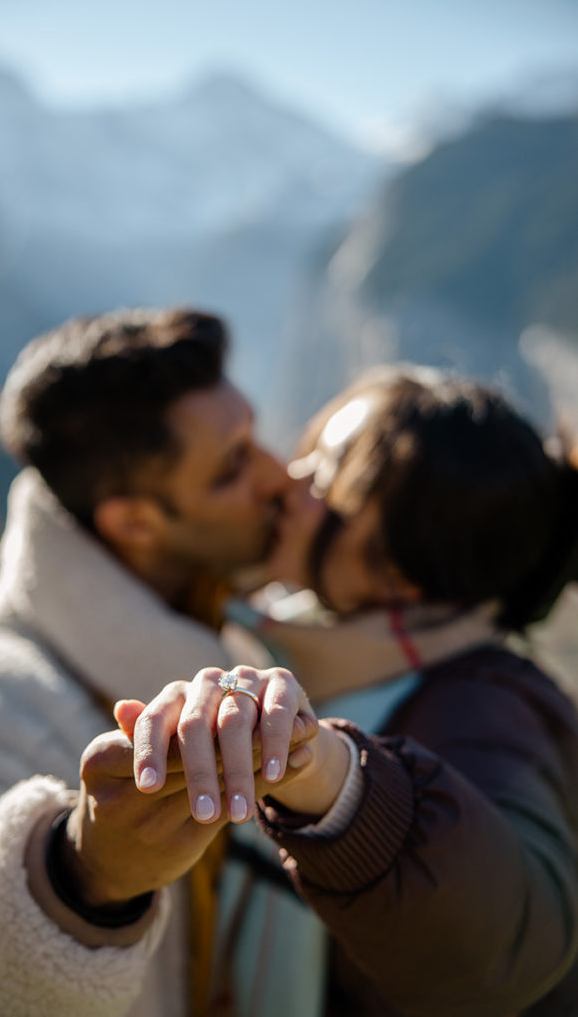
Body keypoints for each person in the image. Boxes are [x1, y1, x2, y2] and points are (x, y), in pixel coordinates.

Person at [0, 307, 315, 1017]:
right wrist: (80, 875)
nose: (279, 474)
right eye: (232, 466)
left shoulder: (233, 621)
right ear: (134, 522)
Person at [123, 363, 578, 1015]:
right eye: (308, 455)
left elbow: (509, 943)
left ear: (402, 571)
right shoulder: (315, 656)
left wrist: (342, 790)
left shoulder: (486, 706)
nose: (288, 480)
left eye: (330, 478)